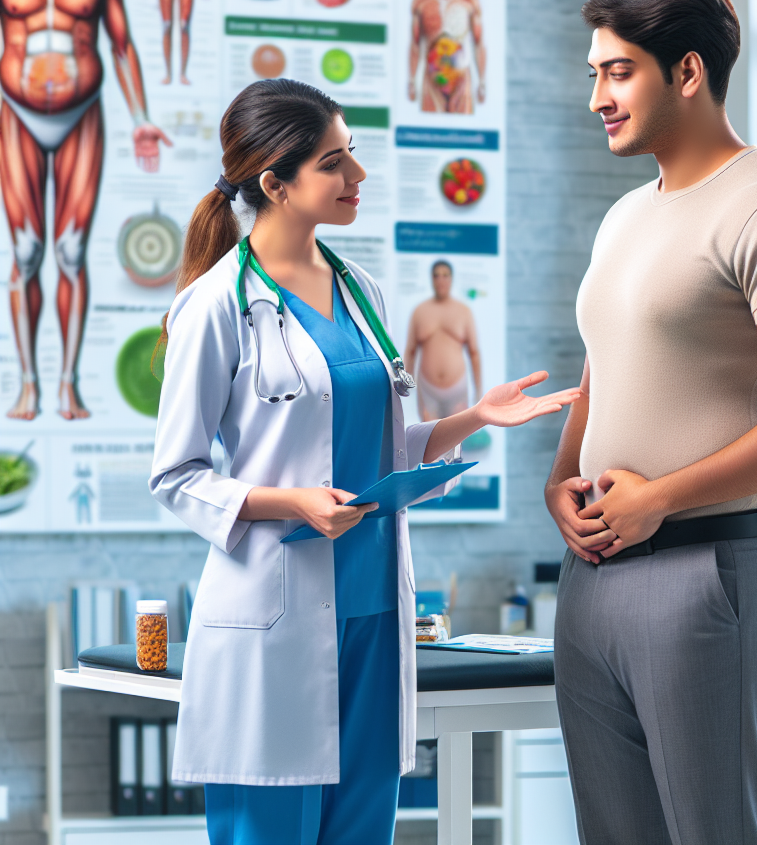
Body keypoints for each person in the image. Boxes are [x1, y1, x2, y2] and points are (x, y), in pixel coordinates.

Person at [150, 79, 579, 845]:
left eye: (354, 154)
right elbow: (178, 477)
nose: (358, 176)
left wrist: (474, 418)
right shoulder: (216, 305)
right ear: (275, 184)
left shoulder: (362, 289)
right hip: (275, 613)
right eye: (333, 162)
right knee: (271, 830)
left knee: (363, 827)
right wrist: (296, 503)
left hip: (377, 611)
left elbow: (381, 451)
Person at [544, 0, 757, 845]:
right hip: (598, 577)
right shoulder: (627, 216)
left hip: (710, 572)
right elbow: (608, 362)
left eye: (619, 72)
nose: (598, 98)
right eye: (594, 75)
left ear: (687, 72)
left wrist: (661, 498)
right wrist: (560, 479)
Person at [0, 0, 170, 420]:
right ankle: (29, 383)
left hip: (82, 115)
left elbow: (121, 46)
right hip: (18, 113)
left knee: (70, 252)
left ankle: (67, 384)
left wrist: (141, 115)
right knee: (26, 253)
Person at [404, 259, 481, 420]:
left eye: (445, 275)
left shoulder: (463, 312)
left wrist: (478, 389)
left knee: (455, 440)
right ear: (431, 279)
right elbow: (410, 351)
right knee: (430, 440)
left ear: (451, 279)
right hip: (428, 389)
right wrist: (404, 387)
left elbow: (474, 352)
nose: (441, 280)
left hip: (457, 388)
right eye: (436, 275)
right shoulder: (419, 311)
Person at [407, 0, 486, 113]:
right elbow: (415, 45)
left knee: (463, 127)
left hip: (461, 79)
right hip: (432, 79)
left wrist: (482, 81)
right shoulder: (420, 3)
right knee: (430, 127)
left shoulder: (470, 2)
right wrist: (412, 80)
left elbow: (478, 43)